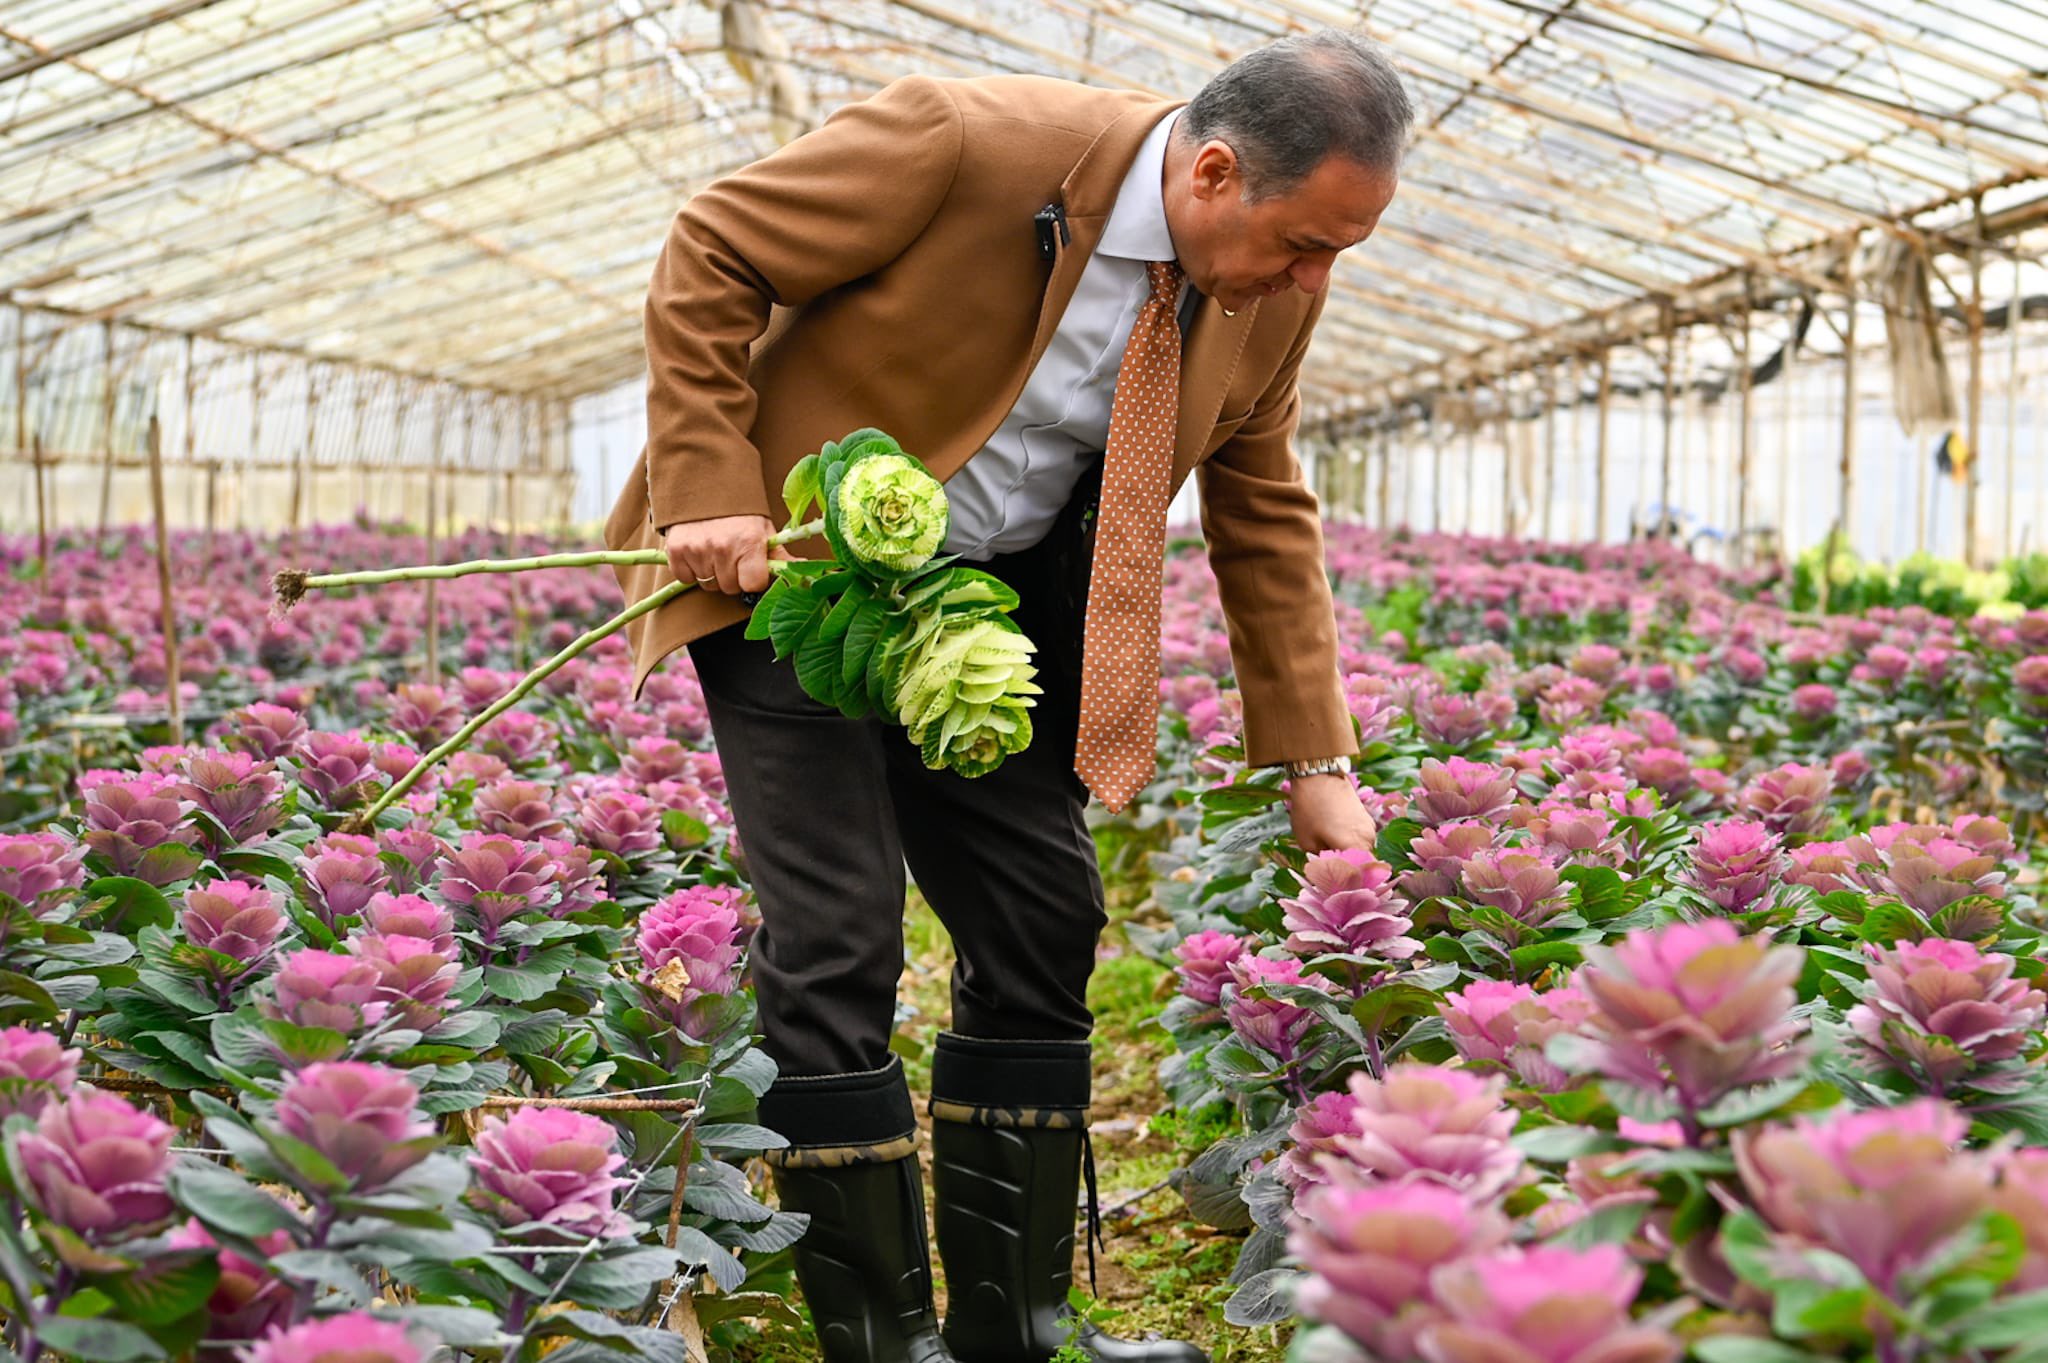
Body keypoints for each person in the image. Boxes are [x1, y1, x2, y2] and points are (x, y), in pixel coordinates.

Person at [604, 29, 1412, 1363]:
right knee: (839, 940)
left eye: (1342, 251)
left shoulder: (1269, 287)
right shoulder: (964, 142)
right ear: (1214, 173)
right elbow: (714, 249)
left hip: (979, 615)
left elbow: (1263, 506)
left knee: (1044, 914)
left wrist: (1315, 762)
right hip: (793, 580)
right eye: (1307, 244)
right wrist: (708, 489)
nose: (1315, 278)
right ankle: (880, 1343)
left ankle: (1012, 1330)